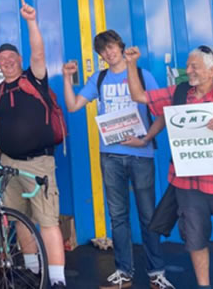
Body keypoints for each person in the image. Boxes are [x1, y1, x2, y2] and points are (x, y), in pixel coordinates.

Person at [125, 45, 213, 289]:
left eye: (194, 66)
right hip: (187, 184)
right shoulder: (179, 92)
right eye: (187, 65)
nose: (188, 71)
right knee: (195, 241)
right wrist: (131, 65)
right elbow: (140, 97)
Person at [61, 30, 174, 289]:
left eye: (112, 47)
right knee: (118, 216)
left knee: (149, 216)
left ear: (120, 46)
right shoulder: (99, 78)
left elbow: (162, 112)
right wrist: (67, 79)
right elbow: (73, 105)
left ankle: (156, 272)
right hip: (110, 156)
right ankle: (124, 270)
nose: (109, 53)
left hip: (141, 155)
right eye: (103, 50)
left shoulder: (142, 75)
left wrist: (145, 139)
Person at [0, 0, 66, 289]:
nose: (7, 62)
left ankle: (58, 278)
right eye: (2, 60)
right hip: (9, 164)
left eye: (12, 59)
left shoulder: (33, 79)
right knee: (18, 217)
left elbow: (38, 53)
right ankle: (32, 267)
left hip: (38, 163)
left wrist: (31, 22)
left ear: (20, 62)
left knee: (47, 220)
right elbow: (2, 118)